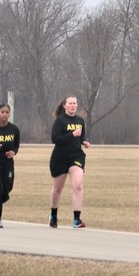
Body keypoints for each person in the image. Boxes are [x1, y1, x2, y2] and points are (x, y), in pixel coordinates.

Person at [49, 95, 89, 229]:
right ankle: (53, 215)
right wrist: (72, 135)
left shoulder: (80, 121)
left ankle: (77, 219)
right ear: (65, 106)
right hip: (60, 157)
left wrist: (84, 141)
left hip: (76, 156)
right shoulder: (60, 121)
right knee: (57, 188)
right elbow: (55, 139)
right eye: (70, 103)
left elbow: (81, 136)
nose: (73, 105)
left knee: (78, 185)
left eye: (75, 103)